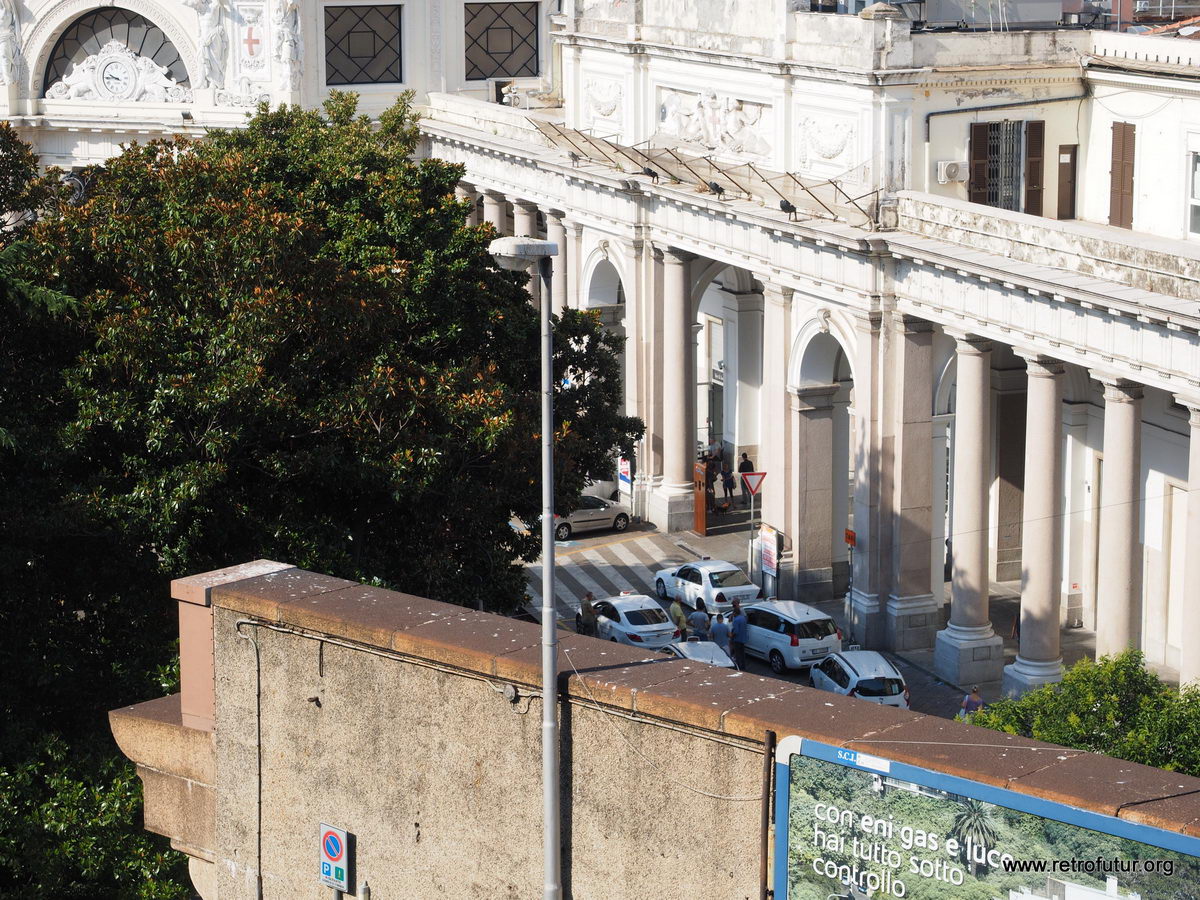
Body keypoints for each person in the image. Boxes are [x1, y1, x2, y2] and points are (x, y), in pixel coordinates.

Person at [729, 600, 748, 670]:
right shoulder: (743, 618)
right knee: (742, 654)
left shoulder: (736, 620)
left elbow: (736, 631)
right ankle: (743, 667)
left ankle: (739, 668)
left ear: (735, 613)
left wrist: (731, 636)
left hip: (737, 639)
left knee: (737, 654)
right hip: (743, 638)